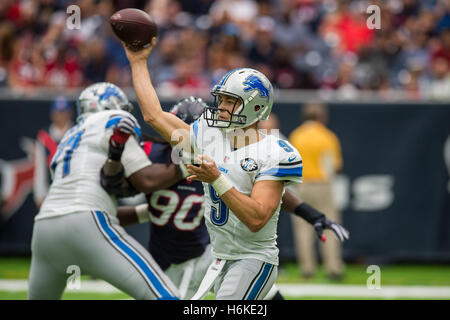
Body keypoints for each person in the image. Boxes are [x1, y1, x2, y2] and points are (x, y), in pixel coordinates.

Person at [120, 38, 347, 299]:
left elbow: (256, 218)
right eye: (222, 100)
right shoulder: (208, 136)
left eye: (230, 102)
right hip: (219, 257)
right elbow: (153, 116)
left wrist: (217, 178)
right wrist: (138, 62)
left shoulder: (274, 152)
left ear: (256, 107)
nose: (222, 108)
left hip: (253, 259)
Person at [28, 82, 180, 300]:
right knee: (165, 296)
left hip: (44, 229)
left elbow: (78, 205)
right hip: (86, 222)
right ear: (113, 105)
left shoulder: (69, 138)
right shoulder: (113, 121)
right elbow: (145, 179)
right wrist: (186, 165)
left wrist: (147, 211)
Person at [288, 101, 345, 280]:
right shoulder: (327, 136)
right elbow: (335, 166)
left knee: (302, 228)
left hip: (301, 184)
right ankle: (333, 268)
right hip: (322, 184)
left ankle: (307, 268)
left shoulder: (296, 135)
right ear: (322, 117)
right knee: (329, 224)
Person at [34, 96, 75, 207]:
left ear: (70, 113)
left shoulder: (76, 133)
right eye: (57, 112)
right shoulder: (44, 136)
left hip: (74, 192)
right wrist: (39, 195)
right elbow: (40, 168)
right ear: (52, 114)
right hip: (51, 192)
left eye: (63, 112)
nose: (60, 116)